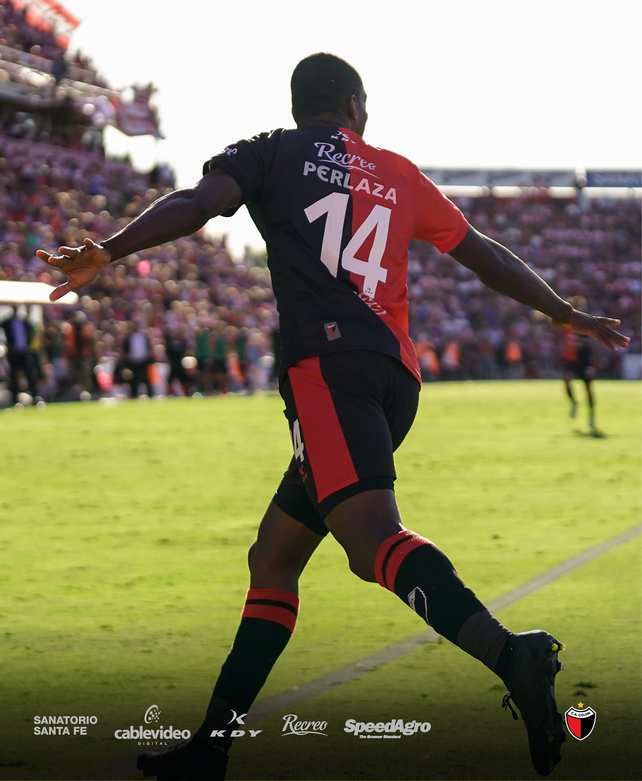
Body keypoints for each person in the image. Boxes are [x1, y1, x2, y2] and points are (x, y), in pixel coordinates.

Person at [36, 53, 630, 780]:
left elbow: (197, 204)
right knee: (274, 557)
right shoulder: (400, 173)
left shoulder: (268, 152)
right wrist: (562, 311)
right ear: (353, 104)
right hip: (392, 378)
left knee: (368, 542)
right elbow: (482, 253)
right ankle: (212, 746)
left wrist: (110, 248)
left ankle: (514, 654)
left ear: (300, 105)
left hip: (327, 373)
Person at [559, 295, 597, 433]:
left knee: (588, 389)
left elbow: (592, 341)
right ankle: (574, 403)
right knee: (566, 379)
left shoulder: (586, 322)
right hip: (571, 358)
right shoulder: (570, 321)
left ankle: (592, 416)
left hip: (584, 359)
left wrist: (578, 343)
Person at [0, 305, 38, 405]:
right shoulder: (8, 322)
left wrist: (29, 311)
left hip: (24, 351)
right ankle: (14, 399)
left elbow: (32, 328)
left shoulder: (23, 322)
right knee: (13, 376)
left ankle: (34, 397)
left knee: (30, 374)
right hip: (14, 352)